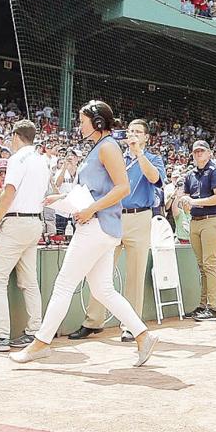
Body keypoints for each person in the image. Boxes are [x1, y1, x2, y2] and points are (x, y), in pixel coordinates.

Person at [10, 100, 157, 367]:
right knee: (103, 290)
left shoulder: (108, 147)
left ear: (98, 123)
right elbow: (95, 189)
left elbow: (122, 188)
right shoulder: (101, 147)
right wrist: (64, 197)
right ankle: (142, 335)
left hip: (97, 225)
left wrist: (90, 209)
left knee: (64, 284)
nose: (79, 126)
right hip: (102, 225)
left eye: (82, 121)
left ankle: (40, 343)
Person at [70, 118, 166, 341]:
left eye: (138, 132)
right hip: (114, 216)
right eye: (130, 131)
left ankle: (131, 325)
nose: (132, 135)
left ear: (146, 137)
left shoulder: (152, 158)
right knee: (99, 269)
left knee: (135, 273)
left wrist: (139, 153)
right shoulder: (116, 157)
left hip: (140, 217)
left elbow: (155, 178)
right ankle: (93, 320)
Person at [0, 120, 47, 351]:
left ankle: (0, 336)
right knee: (29, 281)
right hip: (35, 221)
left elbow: (8, 193)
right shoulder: (42, 160)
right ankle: (35, 331)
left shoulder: (16, 159)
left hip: (15, 222)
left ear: (16, 136)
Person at [180, 139, 216, 320]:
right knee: (202, 266)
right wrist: (185, 201)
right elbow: (185, 197)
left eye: (202, 151)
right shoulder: (190, 174)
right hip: (195, 220)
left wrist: (193, 202)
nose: (199, 154)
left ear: (209, 153)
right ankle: (202, 305)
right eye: (196, 151)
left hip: (212, 219)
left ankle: (213, 308)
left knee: (209, 264)